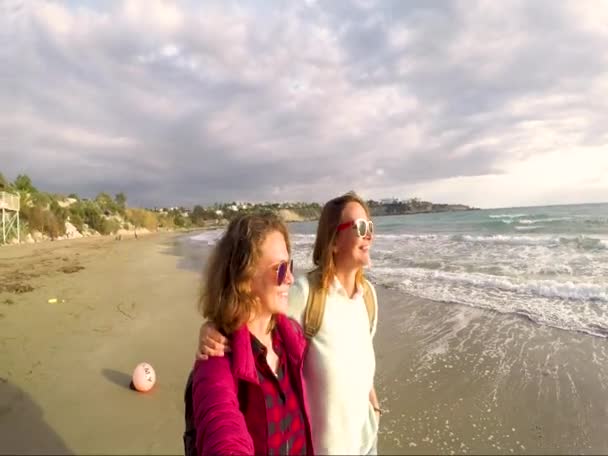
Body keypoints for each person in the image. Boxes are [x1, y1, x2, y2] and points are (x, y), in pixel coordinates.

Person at [197, 192, 380, 454]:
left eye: (370, 226)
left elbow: (358, 358)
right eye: (360, 227)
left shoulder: (368, 297)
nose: (290, 278)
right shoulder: (306, 296)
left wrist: (372, 403)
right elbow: (222, 427)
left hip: (365, 440)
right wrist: (213, 327)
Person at [189, 212, 314, 455]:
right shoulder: (215, 360)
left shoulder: (292, 341)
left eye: (290, 266)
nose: (289, 278)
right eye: (279, 269)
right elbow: (222, 431)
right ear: (245, 280)